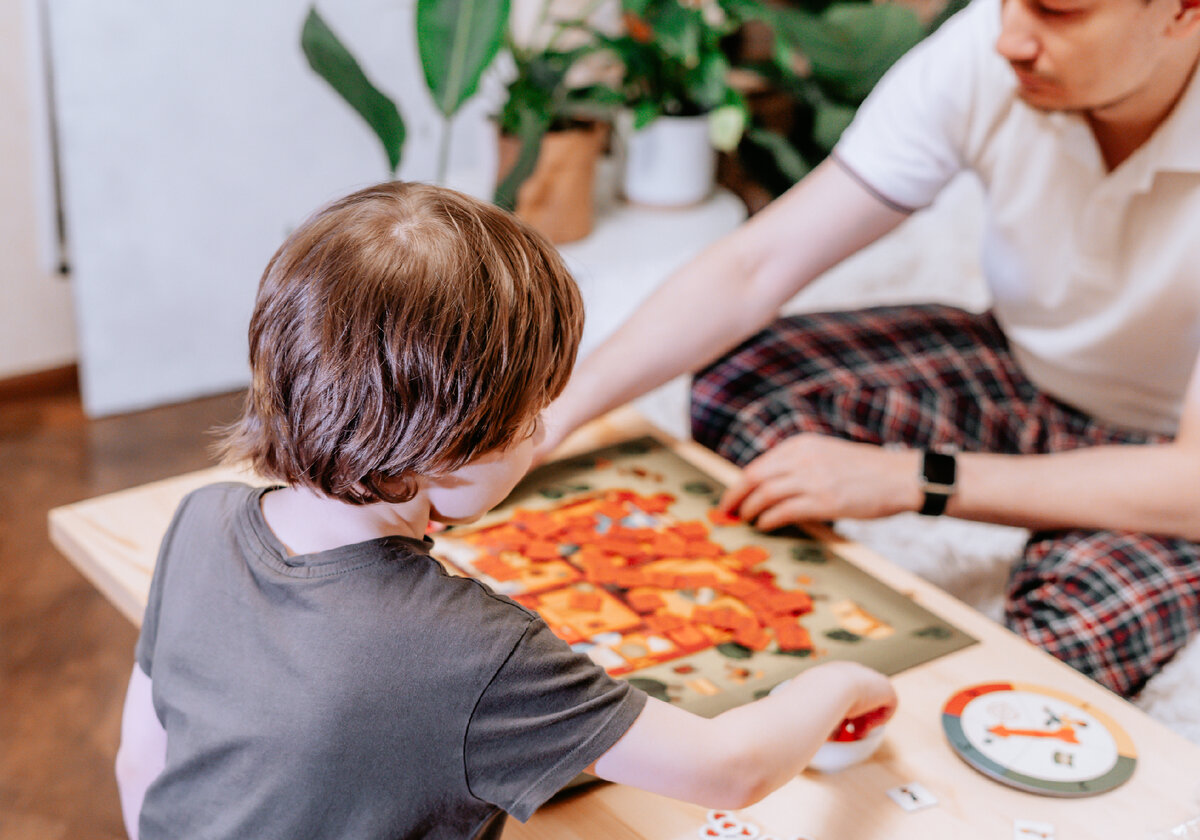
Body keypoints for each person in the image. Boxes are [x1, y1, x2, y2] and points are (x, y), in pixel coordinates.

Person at [112, 182, 896, 840]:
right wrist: (840, 684)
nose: (543, 434)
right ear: (458, 456)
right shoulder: (477, 651)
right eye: (535, 417)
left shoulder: (201, 518)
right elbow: (731, 768)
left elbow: (142, 765)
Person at [539, 0, 1200, 700]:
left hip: (1165, 459)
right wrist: (551, 417)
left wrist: (914, 479)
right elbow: (757, 265)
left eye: (1057, 11)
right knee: (743, 381)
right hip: (1022, 370)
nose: (1011, 36)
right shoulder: (985, 49)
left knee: (1058, 649)